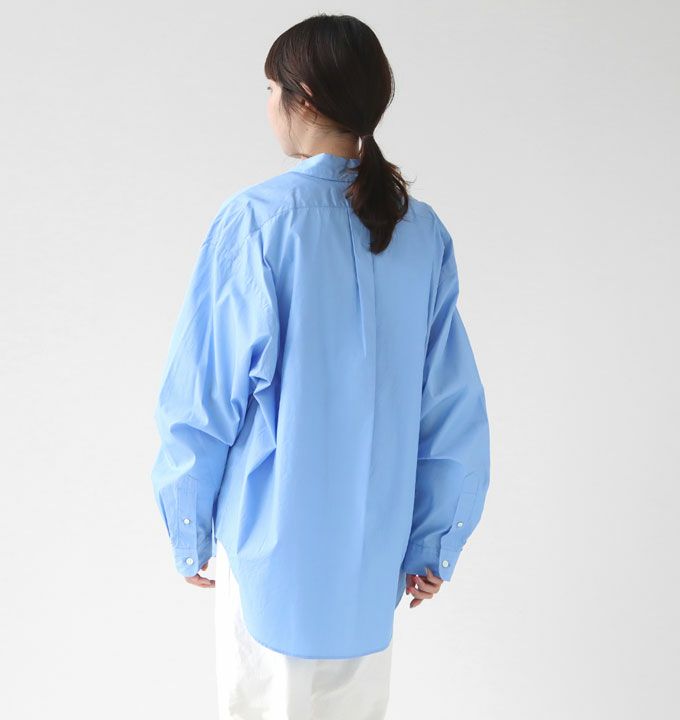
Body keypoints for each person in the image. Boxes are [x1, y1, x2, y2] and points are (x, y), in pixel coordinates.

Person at [151, 12, 491, 720]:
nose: (267, 105)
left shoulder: (256, 221)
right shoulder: (420, 231)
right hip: (372, 555)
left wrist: (187, 524)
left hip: (268, 550)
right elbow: (450, 404)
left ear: (302, 96)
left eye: (270, 89)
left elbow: (204, 393)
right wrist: (434, 539)